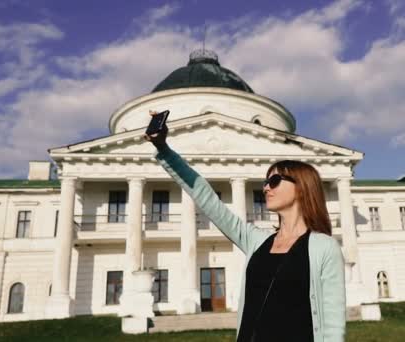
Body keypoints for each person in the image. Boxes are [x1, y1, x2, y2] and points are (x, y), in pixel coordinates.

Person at [144, 110, 345, 342]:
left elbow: (332, 327)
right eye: (265, 182)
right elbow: (206, 198)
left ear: (302, 188)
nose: (266, 188)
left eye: (274, 181)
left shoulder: (324, 248)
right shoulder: (256, 240)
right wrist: (164, 149)